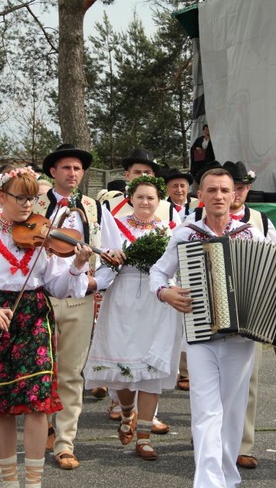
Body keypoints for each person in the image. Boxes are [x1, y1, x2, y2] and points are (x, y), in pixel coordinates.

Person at [150, 167, 276, 488]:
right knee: (206, 410)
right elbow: (157, 273)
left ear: (234, 194)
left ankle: (228, 477)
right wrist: (165, 292)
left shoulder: (251, 233)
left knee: (233, 411)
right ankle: (208, 483)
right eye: (212, 190)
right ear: (201, 195)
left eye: (225, 190)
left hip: (243, 335)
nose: (219, 196)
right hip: (200, 334)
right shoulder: (186, 233)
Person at [0, 166, 93, 488]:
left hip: (35, 316)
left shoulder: (44, 235)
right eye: (21, 198)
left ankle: (35, 483)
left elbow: (60, 285)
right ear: (1, 196)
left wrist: (77, 266)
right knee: (3, 406)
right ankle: (10, 481)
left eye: (32, 199)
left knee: (38, 403)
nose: (28, 205)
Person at [31, 144, 124, 470]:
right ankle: (43, 428)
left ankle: (64, 442)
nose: (72, 173)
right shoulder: (33, 206)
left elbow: (115, 252)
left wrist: (98, 282)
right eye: (66, 167)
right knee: (39, 372)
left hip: (78, 299)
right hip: (38, 298)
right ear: (53, 172)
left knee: (70, 374)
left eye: (77, 168)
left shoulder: (95, 209)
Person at [83, 175, 182, 461]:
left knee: (151, 372)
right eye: (140, 197)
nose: (146, 202)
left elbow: (173, 269)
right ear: (130, 199)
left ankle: (145, 437)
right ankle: (127, 412)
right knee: (123, 373)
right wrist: (105, 267)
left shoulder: (168, 230)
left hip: (156, 303)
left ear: (158, 201)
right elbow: (103, 266)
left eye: (151, 197)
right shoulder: (116, 228)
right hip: (124, 300)